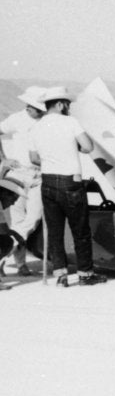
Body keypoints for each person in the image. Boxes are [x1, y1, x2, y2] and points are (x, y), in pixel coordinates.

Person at [26, 86, 107, 286]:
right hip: (70, 182)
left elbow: (34, 158)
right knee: (80, 230)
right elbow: (88, 147)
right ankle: (85, 274)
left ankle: (60, 275)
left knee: (55, 231)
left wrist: (51, 158)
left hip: (48, 182)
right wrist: (72, 148)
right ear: (61, 104)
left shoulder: (35, 127)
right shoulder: (70, 122)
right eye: (67, 104)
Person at [0, 86, 46, 277]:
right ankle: (20, 265)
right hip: (17, 175)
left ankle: (2, 252)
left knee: (33, 218)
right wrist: (3, 159)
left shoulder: (48, 122)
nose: (29, 108)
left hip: (39, 176)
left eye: (33, 106)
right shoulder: (17, 119)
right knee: (16, 220)